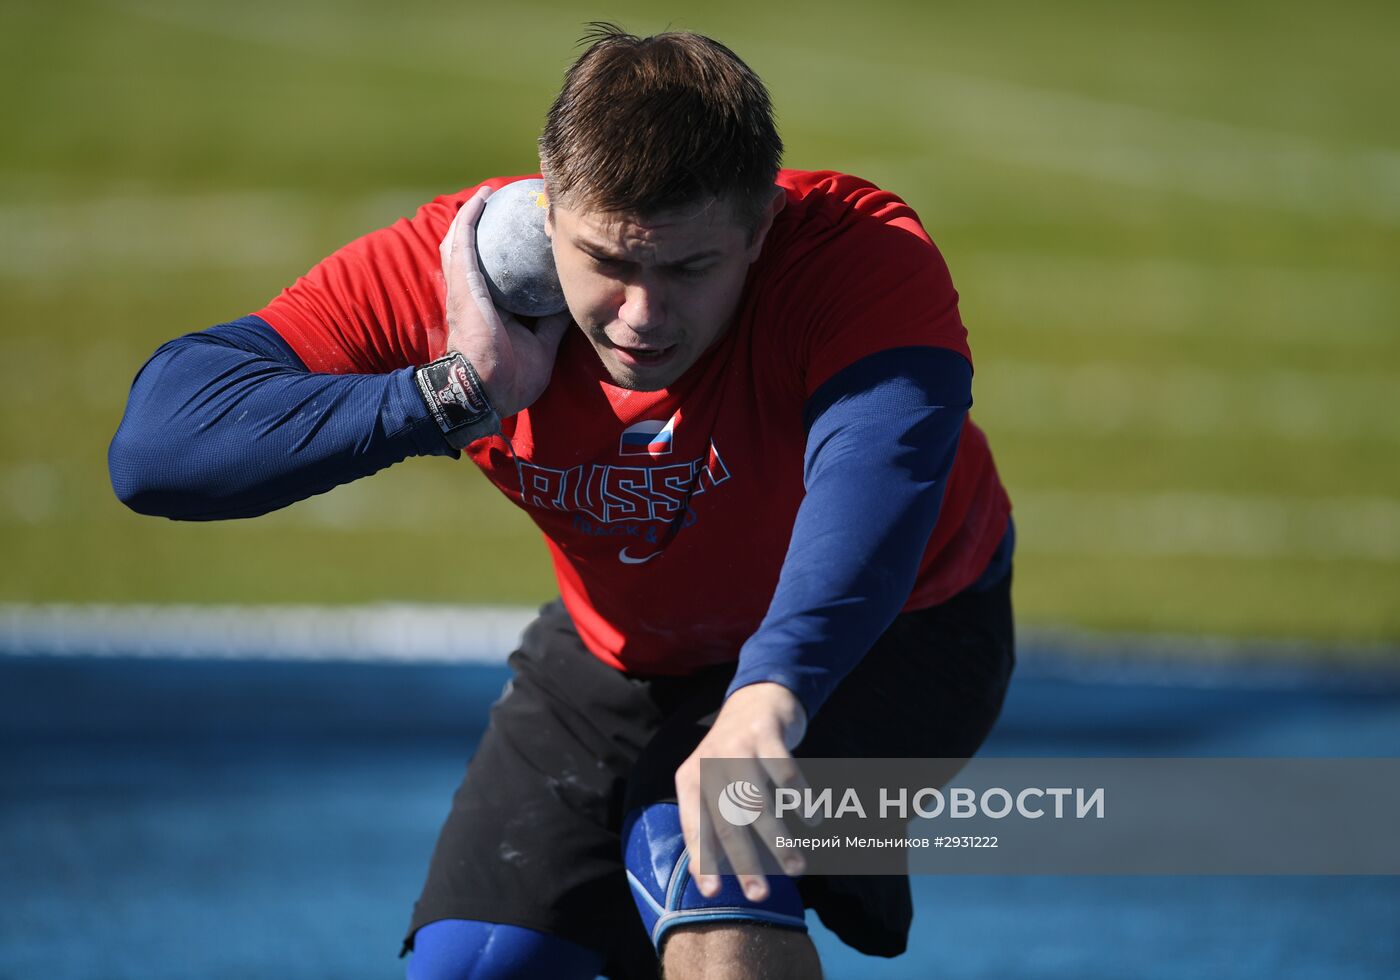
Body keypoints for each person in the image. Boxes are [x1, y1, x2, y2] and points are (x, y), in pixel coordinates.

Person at [109, 24, 1015, 980]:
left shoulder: (857, 257)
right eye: (610, 263)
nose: (642, 315)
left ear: (759, 231)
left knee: (695, 847)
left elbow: (876, 481)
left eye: (688, 269)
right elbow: (159, 449)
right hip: (625, 648)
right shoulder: (464, 273)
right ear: (546, 219)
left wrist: (771, 692)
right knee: (477, 966)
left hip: (897, 638)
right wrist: (457, 392)